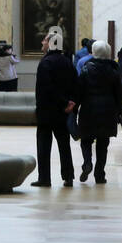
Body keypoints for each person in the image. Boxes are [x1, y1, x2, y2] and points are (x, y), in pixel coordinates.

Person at [33, 28, 77, 187]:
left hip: (47, 110)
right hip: (62, 112)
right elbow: (75, 84)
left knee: (44, 145)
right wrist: (70, 103)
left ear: (51, 44)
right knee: (64, 145)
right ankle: (68, 176)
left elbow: (48, 88)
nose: (42, 42)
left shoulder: (45, 63)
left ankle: (44, 178)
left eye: (44, 40)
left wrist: (63, 102)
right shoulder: (67, 61)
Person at [75, 41, 122, 183]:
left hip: (89, 109)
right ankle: (99, 174)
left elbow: (79, 91)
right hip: (108, 110)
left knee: (86, 140)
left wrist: (74, 109)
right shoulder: (113, 71)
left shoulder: (86, 69)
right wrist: (121, 112)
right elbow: (119, 94)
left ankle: (87, 163)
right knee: (103, 143)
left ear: (93, 52)